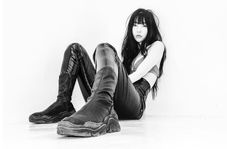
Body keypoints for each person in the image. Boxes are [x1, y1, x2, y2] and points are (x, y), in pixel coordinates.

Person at [29, 8, 166, 137]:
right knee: (75, 50)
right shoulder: (131, 53)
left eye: (144, 26)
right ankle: (63, 104)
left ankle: (102, 108)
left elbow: (138, 74)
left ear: (151, 28)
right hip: (111, 99)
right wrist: (109, 80)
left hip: (135, 105)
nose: (139, 29)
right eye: (135, 25)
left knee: (105, 48)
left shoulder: (157, 46)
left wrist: (111, 79)